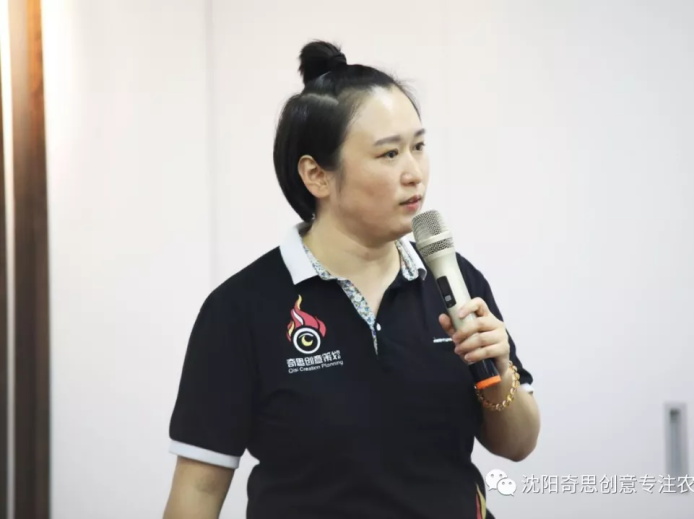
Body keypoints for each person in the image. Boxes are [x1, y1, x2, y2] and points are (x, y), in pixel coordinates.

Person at [162, 40, 540, 519]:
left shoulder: (455, 280)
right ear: (317, 176)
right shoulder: (241, 309)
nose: (414, 174)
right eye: (389, 154)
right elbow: (198, 491)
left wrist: (499, 370)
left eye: (419, 147)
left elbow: (518, 444)